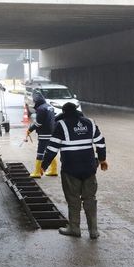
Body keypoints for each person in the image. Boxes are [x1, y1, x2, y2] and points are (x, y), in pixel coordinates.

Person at [41, 102, 108, 239]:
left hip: (70, 169)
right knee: (90, 198)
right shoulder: (89, 123)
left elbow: (52, 147)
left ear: (64, 113)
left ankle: (74, 228)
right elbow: (100, 142)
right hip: (89, 168)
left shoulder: (61, 125)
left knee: (73, 199)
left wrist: (44, 165)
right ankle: (93, 231)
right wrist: (102, 159)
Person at [26, 91, 57, 178]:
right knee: (50, 151)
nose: (34, 103)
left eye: (34, 101)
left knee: (40, 152)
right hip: (51, 132)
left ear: (37, 101)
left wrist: (30, 130)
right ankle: (54, 169)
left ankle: (37, 172)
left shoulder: (41, 109)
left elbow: (38, 123)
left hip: (44, 133)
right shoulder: (49, 107)